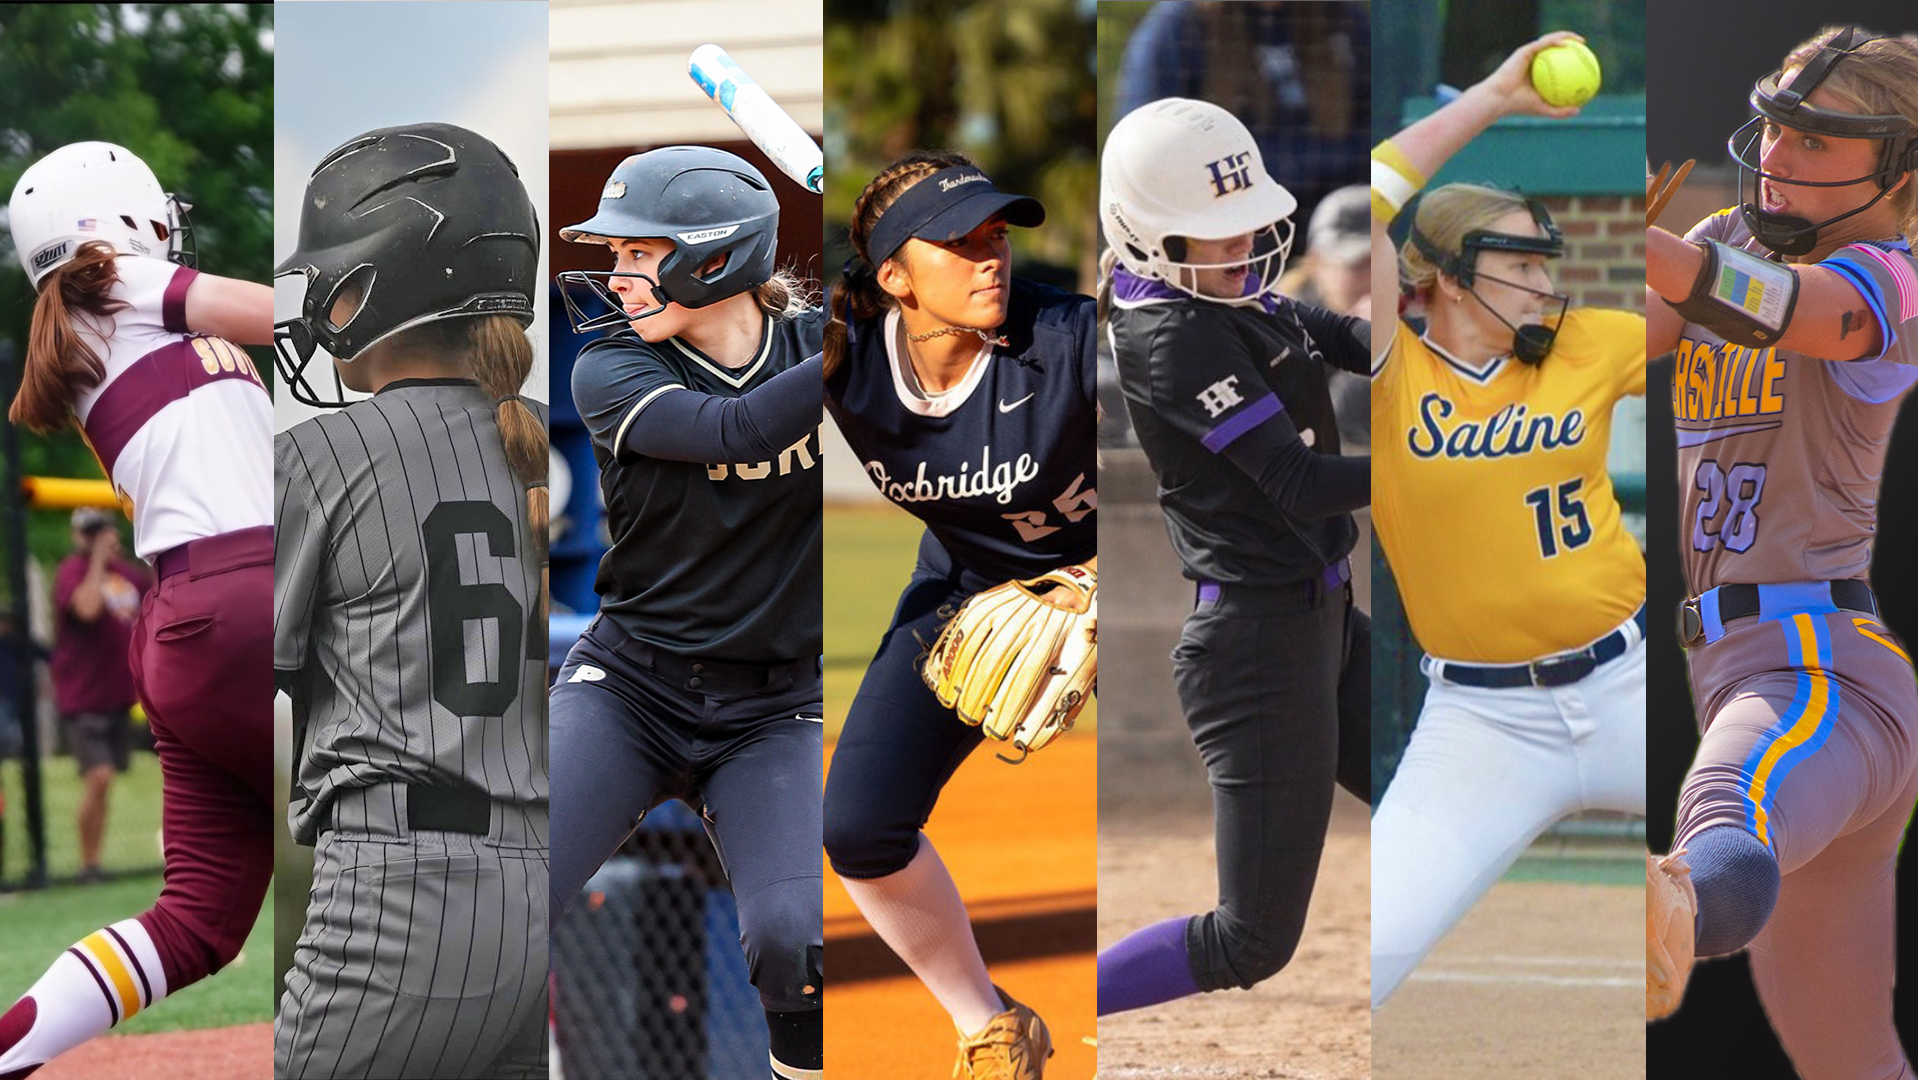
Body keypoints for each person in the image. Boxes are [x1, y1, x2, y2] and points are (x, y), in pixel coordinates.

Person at [1643, 26, 1918, 1079]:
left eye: (1813, 141)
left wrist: (1649, 242)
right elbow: (1631, 340)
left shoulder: (1889, 276)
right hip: (1740, 669)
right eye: (1770, 125)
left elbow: (1786, 313)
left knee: (1720, 810)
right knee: (1845, 1056)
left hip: (1815, 668)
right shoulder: (1727, 237)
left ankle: (1664, 914)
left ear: (1894, 169)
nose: (1773, 154)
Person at [1367, 31, 1649, 1011]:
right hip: (1480, 725)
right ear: (1443, 273)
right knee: (1367, 949)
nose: (1542, 278)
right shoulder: (1390, 369)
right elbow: (1369, 198)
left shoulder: (1589, 342)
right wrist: (1491, 96)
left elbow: (1740, 311)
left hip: (1635, 683)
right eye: (1518, 261)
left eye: (1546, 258)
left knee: (1807, 826)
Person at [272, 122, 549, 1079]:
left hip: (395, 891)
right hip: (538, 891)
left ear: (388, 280)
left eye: (334, 275)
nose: (318, 302)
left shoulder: (316, 455)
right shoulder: (557, 444)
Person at [546, 144, 825, 1080]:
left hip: (772, 710)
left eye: (637, 253)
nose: (617, 276)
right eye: (616, 254)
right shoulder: (609, 370)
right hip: (632, 687)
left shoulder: (816, 343)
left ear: (717, 257)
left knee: (795, 940)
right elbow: (731, 431)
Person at [818, 149, 1095, 1080]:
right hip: (966, 590)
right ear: (894, 277)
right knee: (859, 828)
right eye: (959, 242)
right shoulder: (842, 349)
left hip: (1117, 584)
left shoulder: (1070, 341)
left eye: (996, 237)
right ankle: (994, 1028)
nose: (991, 258)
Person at [0, 140, 273, 1077]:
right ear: (114, 219)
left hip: (185, 622)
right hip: (250, 594)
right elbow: (282, 314)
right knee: (434, 829)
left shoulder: (85, 320)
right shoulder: (112, 282)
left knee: (199, 920)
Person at [1096, 96, 1371, 1024]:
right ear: (1147, 240)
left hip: (1321, 616)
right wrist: (1427, 464)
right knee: (1250, 940)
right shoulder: (1171, 334)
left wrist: (1433, 354)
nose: (1244, 245)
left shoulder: (1220, 288)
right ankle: (1043, 1010)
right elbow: (1295, 482)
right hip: (1258, 648)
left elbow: (1323, 333)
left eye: (1246, 223)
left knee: (1440, 789)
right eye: (1215, 236)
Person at [50, 506, 151, 883]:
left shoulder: (127, 575)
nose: (97, 538)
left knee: (108, 779)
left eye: (102, 530)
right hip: (84, 695)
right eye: (88, 533)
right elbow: (89, 608)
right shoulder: (73, 572)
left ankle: (97, 860)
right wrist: (96, 559)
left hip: (121, 695)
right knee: (100, 775)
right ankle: (89, 865)